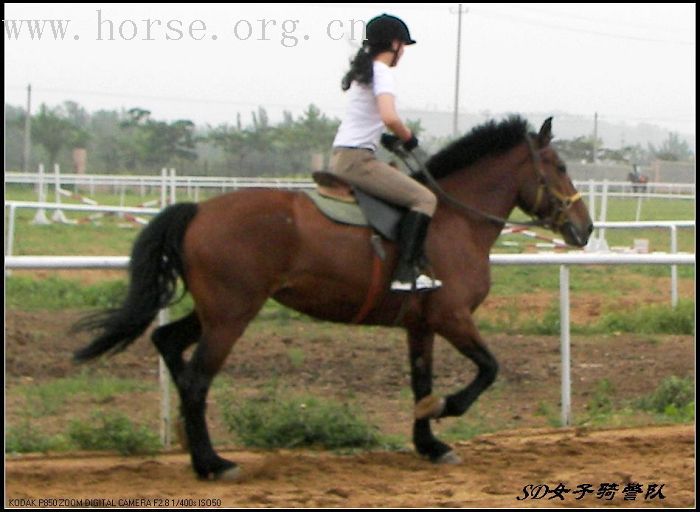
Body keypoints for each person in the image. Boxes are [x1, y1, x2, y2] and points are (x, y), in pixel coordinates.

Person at [330, 13, 441, 292]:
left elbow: (369, 120)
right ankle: (406, 272)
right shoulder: (382, 73)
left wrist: (387, 139)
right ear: (394, 44)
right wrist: (409, 138)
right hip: (357, 160)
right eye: (403, 45)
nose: (403, 52)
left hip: (345, 155)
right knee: (424, 198)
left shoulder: (364, 73)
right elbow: (389, 116)